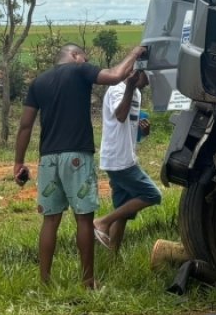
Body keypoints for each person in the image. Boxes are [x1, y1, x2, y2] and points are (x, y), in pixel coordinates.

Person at [13, 43, 147, 288]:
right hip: (77, 157)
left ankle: (44, 282)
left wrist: (18, 163)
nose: (86, 61)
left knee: (50, 221)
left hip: (48, 160)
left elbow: (25, 126)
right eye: (84, 57)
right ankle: (87, 282)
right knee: (84, 220)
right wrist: (135, 53)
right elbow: (116, 76)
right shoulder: (79, 70)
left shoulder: (38, 82)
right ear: (74, 56)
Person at [93, 70, 162, 253]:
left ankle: (112, 255)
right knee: (153, 195)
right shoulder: (117, 88)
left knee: (122, 211)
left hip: (125, 157)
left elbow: (127, 127)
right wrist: (129, 86)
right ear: (136, 73)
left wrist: (143, 131)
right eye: (147, 78)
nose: (147, 84)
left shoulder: (136, 93)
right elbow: (120, 116)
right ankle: (102, 222)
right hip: (118, 160)